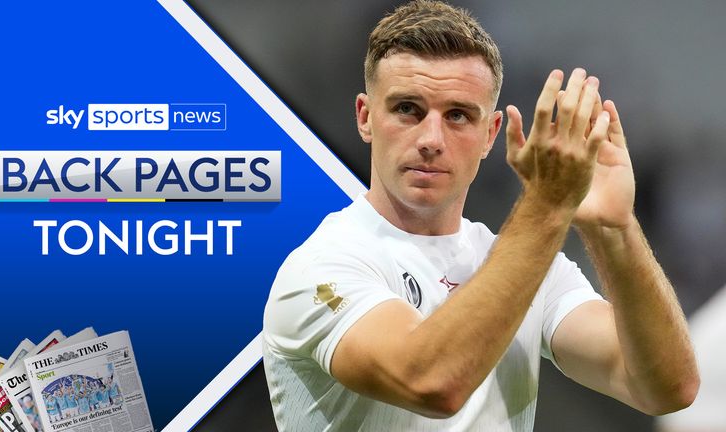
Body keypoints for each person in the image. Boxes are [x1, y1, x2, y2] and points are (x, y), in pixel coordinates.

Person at [262, 1, 699, 431]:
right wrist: (547, 203)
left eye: (457, 115)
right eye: (407, 109)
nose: (431, 139)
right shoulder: (322, 267)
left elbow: (666, 389)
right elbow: (432, 383)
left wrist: (614, 227)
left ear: (490, 134)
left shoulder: (529, 267)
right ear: (365, 117)